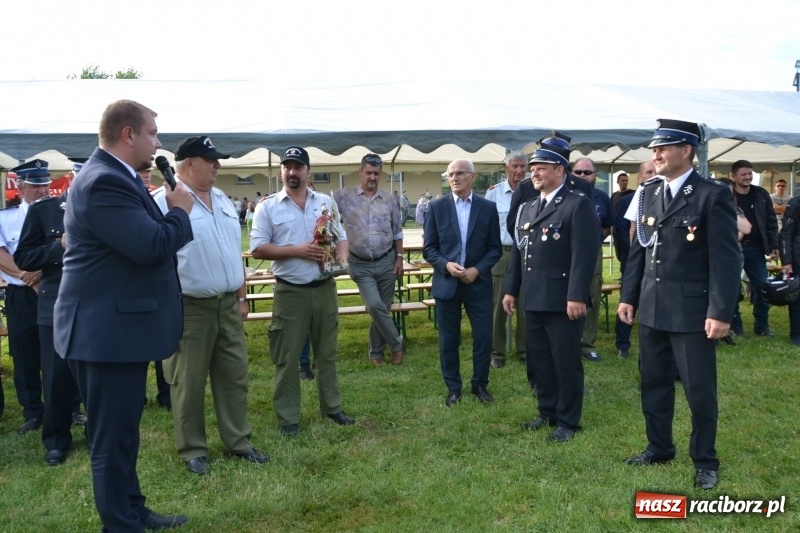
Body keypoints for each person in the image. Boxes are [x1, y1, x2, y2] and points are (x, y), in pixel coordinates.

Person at [54, 99, 194, 530]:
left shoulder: (117, 177)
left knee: (123, 435)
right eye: (152, 133)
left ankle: (132, 510)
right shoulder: (102, 182)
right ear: (128, 134)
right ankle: (120, 524)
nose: (158, 142)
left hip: (116, 331)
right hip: (104, 334)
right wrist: (179, 213)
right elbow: (150, 246)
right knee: (111, 442)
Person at [618, 119, 740, 490]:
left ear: (686, 151)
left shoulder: (711, 195)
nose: (655, 154)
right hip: (654, 308)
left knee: (698, 389)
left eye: (663, 148)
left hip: (691, 312)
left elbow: (725, 260)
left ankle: (705, 459)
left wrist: (720, 312)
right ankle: (659, 447)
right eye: (653, 149)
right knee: (653, 382)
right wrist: (628, 296)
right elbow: (639, 249)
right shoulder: (648, 193)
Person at [153, 135, 269, 475]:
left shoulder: (220, 199)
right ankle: (192, 449)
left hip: (227, 305)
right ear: (189, 164)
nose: (218, 165)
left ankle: (239, 441)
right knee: (187, 382)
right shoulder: (163, 203)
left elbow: (234, 252)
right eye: (211, 160)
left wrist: (242, 296)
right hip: (189, 309)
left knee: (234, 377)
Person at [250, 146, 354, 438]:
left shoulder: (325, 203)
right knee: (288, 357)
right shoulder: (267, 206)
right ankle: (288, 418)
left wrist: (342, 259)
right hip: (290, 292)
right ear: (281, 171)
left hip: (324, 288)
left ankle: (332, 408)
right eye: (287, 167)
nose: (292, 172)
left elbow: (341, 237)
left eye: (298, 167)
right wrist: (298, 251)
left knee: (328, 353)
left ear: (308, 171)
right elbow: (257, 247)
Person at [502, 142, 597, 443]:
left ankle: (568, 421)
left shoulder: (576, 204)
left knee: (565, 361)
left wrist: (577, 295)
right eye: (532, 169)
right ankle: (547, 411)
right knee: (539, 359)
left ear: (560, 170)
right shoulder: (529, 206)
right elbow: (519, 252)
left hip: (562, 298)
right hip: (534, 296)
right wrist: (511, 290)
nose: (534, 174)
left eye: (541, 168)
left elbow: (584, 254)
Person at [14, 157, 87, 466]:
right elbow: (25, 257)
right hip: (55, 304)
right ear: (74, 178)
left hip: (97, 305)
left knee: (94, 377)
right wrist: (60, 245)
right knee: (56, 376)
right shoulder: (44, 211)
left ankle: (98, 435)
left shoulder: (107, 211)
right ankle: (56, 440)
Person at [422, 159, 502, 406]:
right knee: (448, 338)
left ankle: (480, 385)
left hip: (477, 284)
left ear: (473, 177)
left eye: (459, 174)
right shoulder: (436, 207)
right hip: (447, 283)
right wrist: (446, 265)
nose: (454, 178)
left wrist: (477, 270)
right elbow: (429, 249)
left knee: (483, 337)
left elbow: (494, 249)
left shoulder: (487, 208)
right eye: (450, 174)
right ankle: (453, 388)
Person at [333, 153, 405, 366]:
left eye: (376, 173)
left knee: (383, 307)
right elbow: (319, 203)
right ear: (360, 172)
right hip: (359, 263)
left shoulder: (390, 199)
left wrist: (399, 257)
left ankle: (376, 352)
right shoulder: (343, 196)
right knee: (374, 305)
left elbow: (398, 232)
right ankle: (397, 343)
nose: (372, 177)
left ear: (380, 174)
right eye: (368, 172)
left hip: (387, 261)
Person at [0, 160, 47, 435]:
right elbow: (2, 253)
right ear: (21, 187)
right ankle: (32, 411)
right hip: (21, 293)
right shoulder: (7, 217)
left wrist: (40, 274)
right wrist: (27, 276)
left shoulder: (59, 213)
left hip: (51, 289)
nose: (42, 191)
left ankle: (71, 406)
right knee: (23, 351)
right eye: (36, 186)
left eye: (45, 186)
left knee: (60, 350)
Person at [505, 131, 595, 238]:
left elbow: (589, 227)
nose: (535, 174)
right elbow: (514, 226)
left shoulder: (583, 186)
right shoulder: (525, 187)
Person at [485, 151, 527, 368]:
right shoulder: (493, 194)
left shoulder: (534, 191)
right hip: (503, 254)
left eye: (522, 166)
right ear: (506, 169)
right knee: (498, 305)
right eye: (515, 166)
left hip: (528, 254)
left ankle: (525, 350)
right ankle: (497, 352)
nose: (519, 171)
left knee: (526, 305)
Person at [730, 159, 779, 337]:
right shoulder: (726, 194)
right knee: (733, 289)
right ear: (733, 176)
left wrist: (774, 244)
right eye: (744, 174)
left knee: (763, 287)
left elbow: (771, 221)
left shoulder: (761, 194)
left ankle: (762, 325)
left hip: (756, 248)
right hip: (733, 249)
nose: (748, 177)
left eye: (750, 174)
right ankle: (735, 327)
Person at [613, 161, 656, 358]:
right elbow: (622, 230)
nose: (653, 174)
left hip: (657, 264)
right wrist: (635, 253)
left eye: (655, 171)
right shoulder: (627, 200)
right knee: (628, 299)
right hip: (634, 260)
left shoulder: (666, 197)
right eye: (648, 172)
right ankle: (623, 344)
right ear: (640, 177)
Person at [572, 157, 612, 362]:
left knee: (592, 296)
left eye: (587, 172)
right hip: (568, 253)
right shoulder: (566, 195)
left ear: (596, 175)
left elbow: (607, 226)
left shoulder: (603, 198)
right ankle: (569, 341)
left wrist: (593, 241)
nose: (582, 176)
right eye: (578, 172)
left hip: (593, 252)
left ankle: (587, 345)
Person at [779, 193, 800, 346]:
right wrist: (787, 261)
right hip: (797, 258)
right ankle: (796, 335)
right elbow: (786, 233)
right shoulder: (795, 203)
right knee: (797, 299)